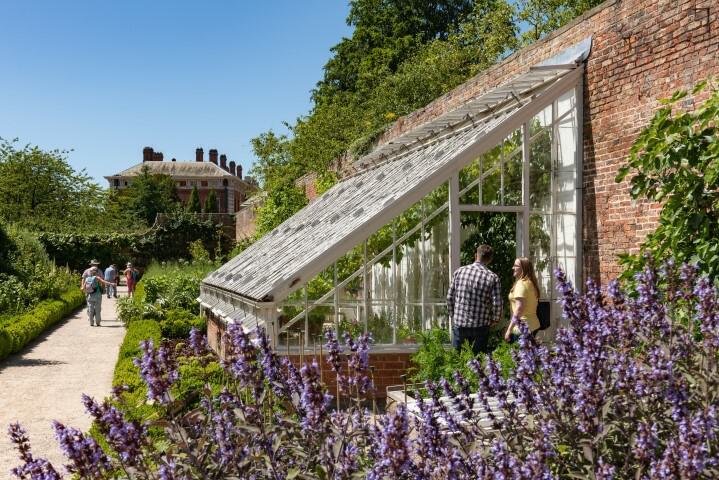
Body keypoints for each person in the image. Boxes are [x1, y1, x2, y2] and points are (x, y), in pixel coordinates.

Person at [446, 244, 502, 356]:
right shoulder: (492, 277)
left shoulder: (459, 272)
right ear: (489, 259)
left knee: (457, 360)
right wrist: (495, 320)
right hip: (481, 326)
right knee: (477, 362)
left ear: (475, 255)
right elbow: (497, 304)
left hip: (460, 324)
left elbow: (449, 297)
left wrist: (454, 315)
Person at [505, 257, 541, 343]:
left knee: (519, 355)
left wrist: (509, 329)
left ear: (523, 268)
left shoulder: (521, 284)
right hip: (533, 325)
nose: (513, 268)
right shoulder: (530, 283)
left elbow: (519, 309)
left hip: (522, 328)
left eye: (516, 266)